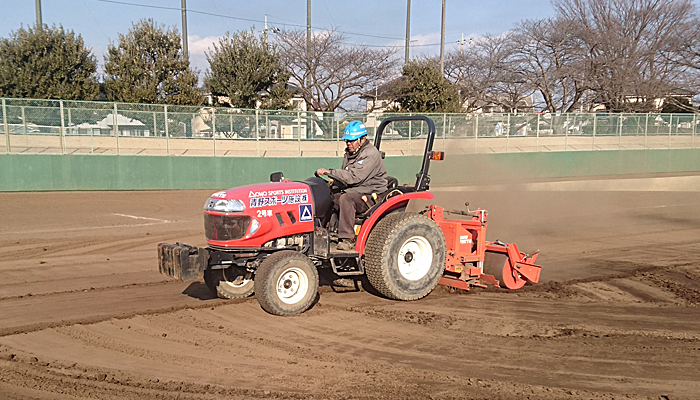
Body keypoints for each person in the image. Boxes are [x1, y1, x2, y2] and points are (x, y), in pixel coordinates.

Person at [316, 120, 388, 251]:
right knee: (329, 195)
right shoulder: (350, 153)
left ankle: (347, 239)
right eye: (347, 141)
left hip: (372, 195)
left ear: (362, 139)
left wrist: (330, 172)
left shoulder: (370, 154)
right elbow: (346, 176)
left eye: (351, 140)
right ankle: (323, 230)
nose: (348, 143)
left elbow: (354, 177)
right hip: (358, 190)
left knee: (346, 199)